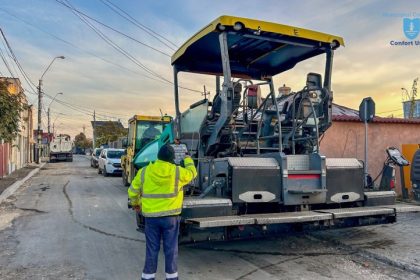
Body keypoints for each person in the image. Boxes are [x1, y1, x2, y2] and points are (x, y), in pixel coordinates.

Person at [128, 144, 197, 280]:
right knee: (171, 249)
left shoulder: (144, 171)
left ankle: (148, 277)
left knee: (152, 249)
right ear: (172, 158)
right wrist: (188, 159)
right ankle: (171, 277)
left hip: (151, 218)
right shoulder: (177, 171)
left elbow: (132, 191)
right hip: (171, 218)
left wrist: (136, 204)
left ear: (158, 156)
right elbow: (193, 173)